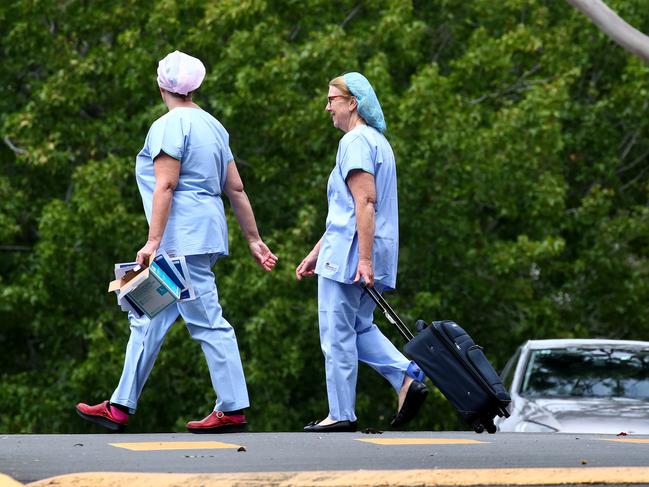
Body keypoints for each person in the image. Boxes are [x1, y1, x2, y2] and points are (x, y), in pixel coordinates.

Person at [76, 51, 277, 433]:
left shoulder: (169, 126)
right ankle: (119, 405)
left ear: (161, 85)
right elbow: (235, 187)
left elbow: (165, 184)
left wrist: (152, 241)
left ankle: (232, 408)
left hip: (180, 240)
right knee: (146, 316)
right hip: (200, 236)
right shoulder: (214, 126)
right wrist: (253, 239)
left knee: (208, 323)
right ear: (196, 86)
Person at [295, 72, 427, 432]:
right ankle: (406, 375)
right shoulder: (378, 142)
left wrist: (363, 260)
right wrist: (314, 252)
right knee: (358, 327)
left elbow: (364, 202)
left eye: (331, 100)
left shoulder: (354, 142)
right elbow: (349, 211)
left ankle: (340, 413)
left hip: (351, 257)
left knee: (336, 334)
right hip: (364, 250)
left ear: (352, 103)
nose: (327, 108)